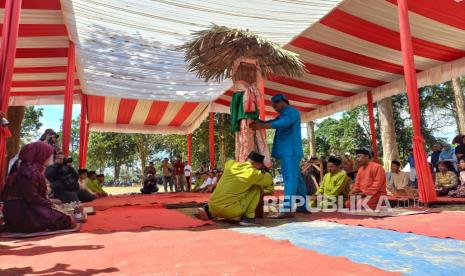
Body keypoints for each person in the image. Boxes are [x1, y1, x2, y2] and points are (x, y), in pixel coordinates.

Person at [251, 94, 307, 218]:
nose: (274, 107)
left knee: (289, 179)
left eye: (275, 104)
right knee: (297, 179)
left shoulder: (292, 112)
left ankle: (287, 208)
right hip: (289, 151)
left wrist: (262, 125)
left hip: (290, 151)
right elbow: (275, 121)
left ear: (283, 102)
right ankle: (303, 206)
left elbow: (282, 123)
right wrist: (262, 122)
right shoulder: (284, 115)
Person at [1, 142, 75, 233]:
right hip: (23, 212)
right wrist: (50, 203)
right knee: (64, 219)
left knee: (63, 215)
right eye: (49, 154)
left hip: (22, 208)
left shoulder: (29, 169)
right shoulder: (29, 171)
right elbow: (32, 197)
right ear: (41, 155)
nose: (52, 156)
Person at [198, 152, 273, 226]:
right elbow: (269, 181)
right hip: (228, 211)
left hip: (212, 206)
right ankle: (249, 218)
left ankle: (206, 209)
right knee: (256, 186)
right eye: (260, 166)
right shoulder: (253, 173)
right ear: (257, 164)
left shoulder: (230, 164)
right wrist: (263, 171)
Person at [230, 58, 271, 167]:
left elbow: (234, 107)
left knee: (250, 137)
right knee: (248, 138)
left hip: (249, 116)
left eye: (250, 71)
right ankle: (248, 163)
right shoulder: (240, 88)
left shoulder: (242, 87)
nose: (248, 73)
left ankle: (250, 163)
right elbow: (235, 106)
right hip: (245, 116)